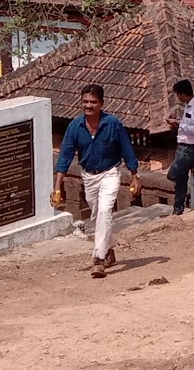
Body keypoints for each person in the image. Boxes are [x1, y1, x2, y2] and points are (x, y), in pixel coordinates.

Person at [56, 83, 140, 278]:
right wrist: (58, 184)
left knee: (104, 211)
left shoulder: (113, 124)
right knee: (97, 215)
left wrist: (135, 176)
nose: (89, 106)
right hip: (88, 176)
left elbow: (127, 149)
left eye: (93, 102)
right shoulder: (75, 126)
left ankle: (98, 259)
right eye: (85, 102)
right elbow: (65, 155)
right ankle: (108, 249)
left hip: (110, 173)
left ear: (101, 103)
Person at [169, 78, 194, 216]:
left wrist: (179, 125)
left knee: (173, 174)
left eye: (178, 95)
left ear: (183, 94)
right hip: (183, 144)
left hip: (191, 147)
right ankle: (178, 209)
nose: (178, 98)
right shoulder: (188, 105)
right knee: (181, 180)